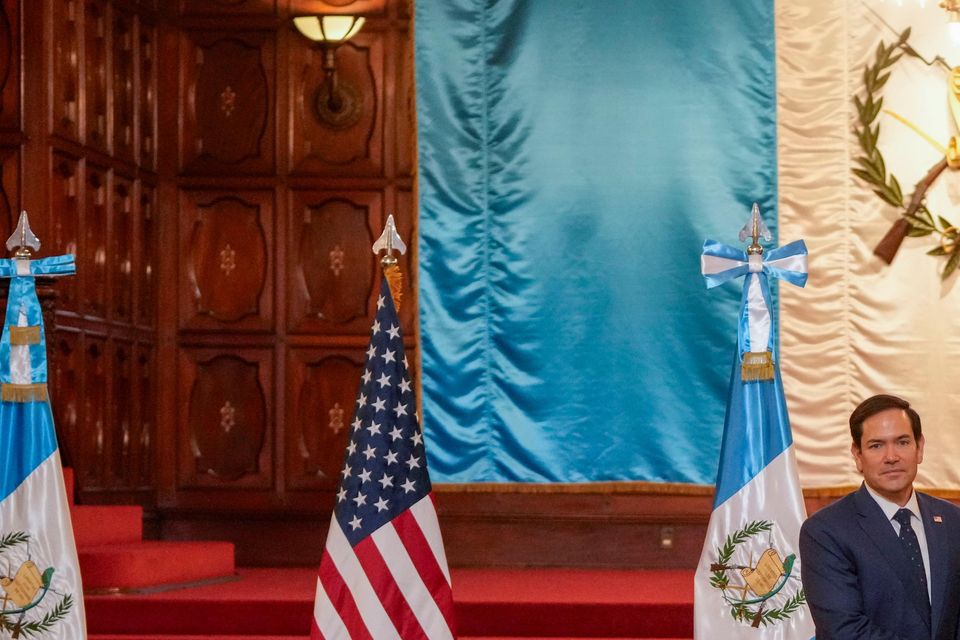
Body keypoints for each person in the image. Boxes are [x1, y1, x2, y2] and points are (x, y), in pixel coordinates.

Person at [799, 394, 960, 639]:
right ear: (857, 456)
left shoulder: (952, 520)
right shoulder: (825, 531)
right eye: (876, 445)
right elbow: (844, 630)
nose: (891, 456)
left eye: (902, 442)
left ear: (920, 448)